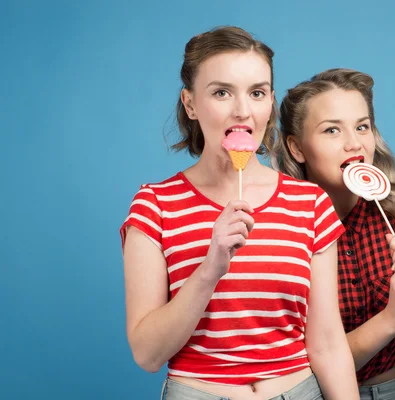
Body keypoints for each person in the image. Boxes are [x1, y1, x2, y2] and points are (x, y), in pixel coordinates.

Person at [119, 28, 359, 400]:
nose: (242, 111)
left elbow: (328, 345)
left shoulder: (309, 203)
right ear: (190, 104)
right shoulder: (156, 205)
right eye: (221, 92)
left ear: (271, 102)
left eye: (257, 93)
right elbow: (148, 355)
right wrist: (211, 267)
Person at [271, 68, 395, 399]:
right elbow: (303, 371)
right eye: (332, 130)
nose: (354, 144)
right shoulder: (282, 230)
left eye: (362, 127)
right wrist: (393, 318)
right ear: (297, 148)